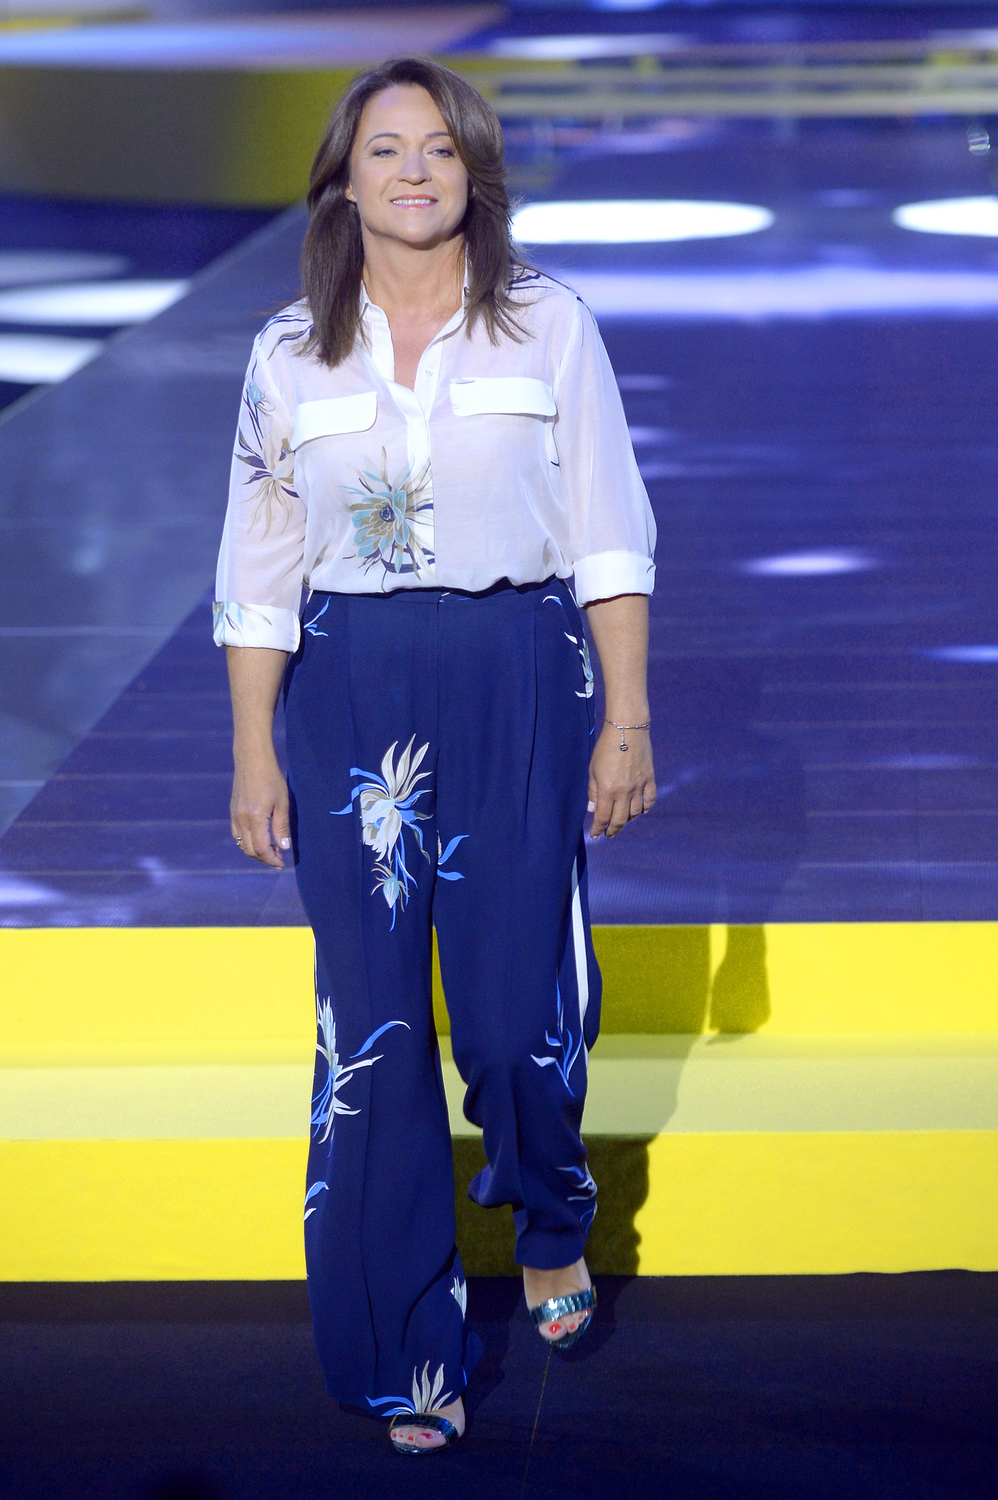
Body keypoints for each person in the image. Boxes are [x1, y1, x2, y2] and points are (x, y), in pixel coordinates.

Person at [213, 55, 656, 1455]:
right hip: (348, 696)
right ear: (342, 182)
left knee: (517, 1017)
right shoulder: (288, 352)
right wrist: (252, 752)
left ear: (476, 171)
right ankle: (406, 1354)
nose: (414, 171)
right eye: (386, 150)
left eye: (440, 149)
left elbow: (609, 531)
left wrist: (627, 718)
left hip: (518, 672)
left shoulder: (549, 325)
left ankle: (549, 1217)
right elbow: (257, 568)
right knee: (375, 1030)